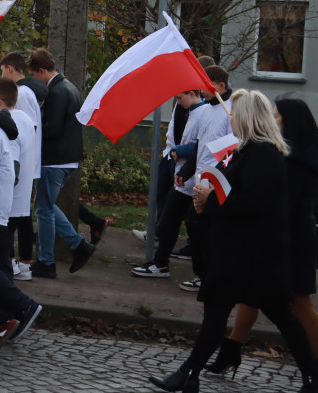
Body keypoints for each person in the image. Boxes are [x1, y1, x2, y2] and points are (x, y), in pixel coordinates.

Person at [148, 90, 318, 393]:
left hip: (252, 256)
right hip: (242, 253)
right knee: (220, 314)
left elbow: (252, 204)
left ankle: (311, 376)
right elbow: (235, 194)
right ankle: (189, 374)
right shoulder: (251, 151)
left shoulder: (264, 154)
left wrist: (211, 200)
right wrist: (207, 197)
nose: (232, 120)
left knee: (280, 316)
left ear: (248, 118)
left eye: (236, 114)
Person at [203, 96, 318, 375]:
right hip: (277, 237)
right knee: (251, 295)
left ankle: (314, 363)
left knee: (298, 303)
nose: (274, 122)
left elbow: (274, 203)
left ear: (292, 122)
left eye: (277, 117)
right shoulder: (287, 155)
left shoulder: (299, 161)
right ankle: (230, 351)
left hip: (294, 240)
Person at [0, 77, 43, 342]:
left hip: (1, 205)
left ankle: (17, 308)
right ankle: (10, 313)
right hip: (12, 202)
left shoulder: (7, 124)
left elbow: (8, 168)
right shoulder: (24, 119)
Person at [27, 48, 95, 278]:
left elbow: (52, 129)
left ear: (42, 71)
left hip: (54, 159)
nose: (35, 82)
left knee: (43, 210)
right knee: (46, 206)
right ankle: (76, 246)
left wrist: (31, 129)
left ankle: (48, 261)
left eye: (34, 76)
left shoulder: (55, 92)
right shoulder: (70, 87)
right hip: (67, 159)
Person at [131, 90, 205, 280]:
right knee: (169, 222)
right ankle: (161, 263)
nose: (178, 102)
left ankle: (202, 274)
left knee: (194, 227)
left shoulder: (204, 113)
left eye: (180, 98)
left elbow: (201, 147)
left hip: (195, 180)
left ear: (192, 93)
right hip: (184, 177)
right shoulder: (191, 111)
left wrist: (179, 152)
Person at [178, 65, 232, 292]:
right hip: (201, 177)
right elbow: (202, 144)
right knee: (196, 225)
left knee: (203, 226)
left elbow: (231, 149)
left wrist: (221, 175)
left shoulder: (231, 109)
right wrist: (187, 171)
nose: (202, 90)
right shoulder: (208, 110)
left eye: (207, 86)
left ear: (221, 86)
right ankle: (205, 274)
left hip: (217, 180)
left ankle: (209, 275)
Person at [0, 51, 42, 275]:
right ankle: (21, 262)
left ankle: (17, 263)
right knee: (21, 216)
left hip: (20, 165)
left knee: (14, 218)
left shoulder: (22, 94)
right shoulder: (25, 93)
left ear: (9, 69)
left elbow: (20, 131)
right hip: (24, 164)